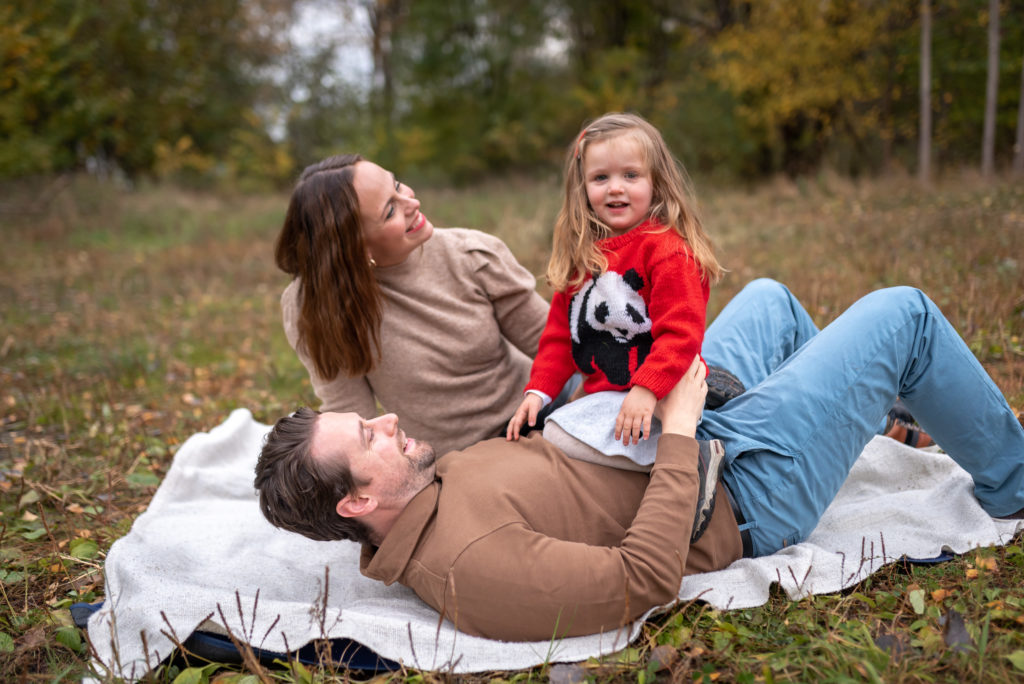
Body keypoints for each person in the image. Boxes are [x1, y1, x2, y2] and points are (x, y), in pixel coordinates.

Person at [254, 279, 1024, 642]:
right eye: (367, 438)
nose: (387, 421)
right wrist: (683, 432)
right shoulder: (470, 566)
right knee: (905, 315)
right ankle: (1015, 482)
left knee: (770, 301)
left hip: (679, 434)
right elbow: (641, 579)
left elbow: (562, 484)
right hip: (742, 492)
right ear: (355, 503)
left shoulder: (423, 497)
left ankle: (866, 418)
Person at [274, 154, 553, 457]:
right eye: (391, 210)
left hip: (545, 411)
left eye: (397, 185)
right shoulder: (313, 305)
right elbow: (353, 417)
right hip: (459, 459)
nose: (412, 202)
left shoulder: (472, 254)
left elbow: (555, 347)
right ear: (356, 246)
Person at [508, 113, 724, 446]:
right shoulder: (583, 255)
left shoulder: (667, 251)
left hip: (664, 398)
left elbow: (681, 334)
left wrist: (647, 388)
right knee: (555, 439)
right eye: (600, 177)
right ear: (583, 187)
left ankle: (702, 453)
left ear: (657, 181)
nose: (615, 188)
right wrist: (538, 392)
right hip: (607, 399)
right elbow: (560, 339)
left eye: (631, 175)